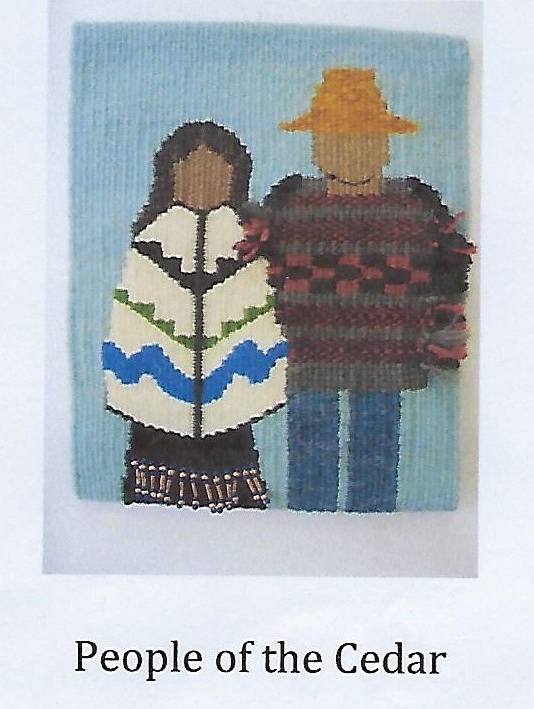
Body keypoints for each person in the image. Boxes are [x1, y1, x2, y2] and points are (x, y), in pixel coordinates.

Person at [250, 68, 474, 513]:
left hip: (387, 356)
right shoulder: (290, 205)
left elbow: (449, 271)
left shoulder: (414, 206)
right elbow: (260, 270)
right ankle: (313, 521)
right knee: (311, 458)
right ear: (317, 147)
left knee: (377, 454)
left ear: (386, 147)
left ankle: (369, 523)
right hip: (308, 356)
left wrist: (442, 335)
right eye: (335, 141)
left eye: (366, 141)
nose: (351, 154)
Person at [102, 121, 287, 512]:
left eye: (218, 170)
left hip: (231, 398)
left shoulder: (248, 246)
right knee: (155, 464)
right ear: (171, 176)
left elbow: (263, 317)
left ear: (235, 178)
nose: (204, 181)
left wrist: (254, 372)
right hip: (156, 397)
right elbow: (131, 320)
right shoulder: (150, 243)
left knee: (231, 458)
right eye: (190, 169)